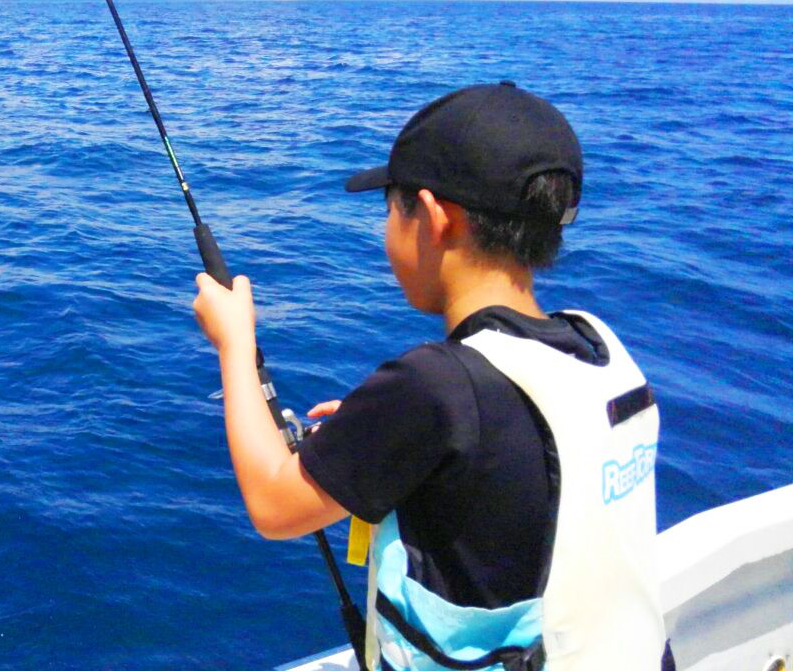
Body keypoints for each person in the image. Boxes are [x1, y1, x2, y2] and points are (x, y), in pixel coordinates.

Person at [192, 82, 667, 671]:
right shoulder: (597, 348)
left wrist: (235, 343)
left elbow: (273, 505)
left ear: (436, 217)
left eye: (391, 207)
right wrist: (396, 443)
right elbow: (522, 470)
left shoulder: (434, 386)